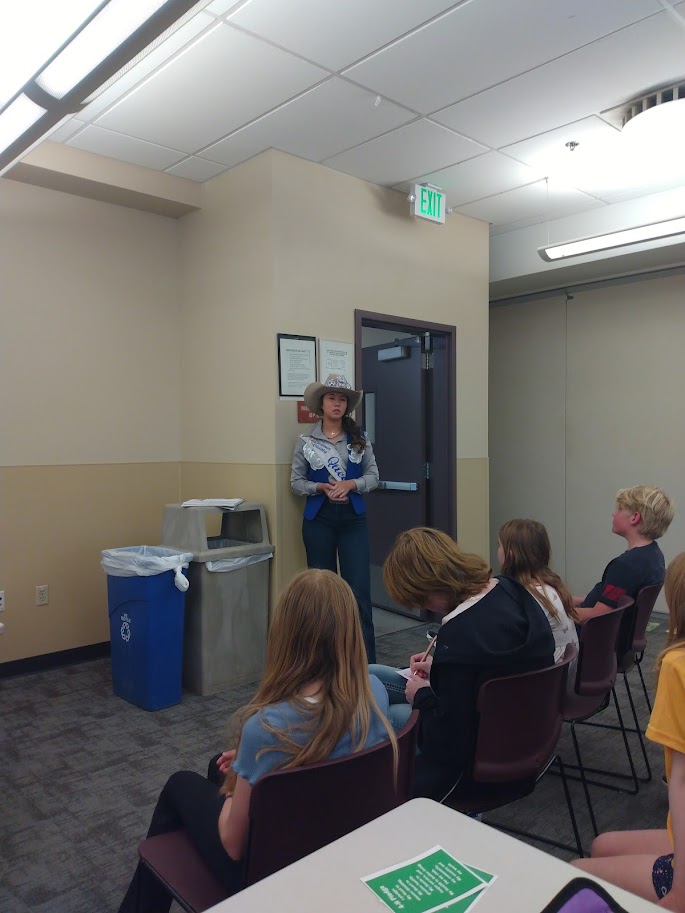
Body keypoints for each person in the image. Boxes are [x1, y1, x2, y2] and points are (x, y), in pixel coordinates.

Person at [118, 569, 396, 913]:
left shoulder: (267, 729)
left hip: (271, 873)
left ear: (286, 636)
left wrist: (239, 781)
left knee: (179, 785)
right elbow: (324, 747)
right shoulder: (376, 697)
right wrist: (250, 761)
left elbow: (234, 846)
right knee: (215, 765)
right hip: (339, 849)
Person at [368, 527, 555, 801]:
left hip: (476, 756)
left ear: (424, 588)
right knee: (373, 675)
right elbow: (488, 668)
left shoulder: (460, 635)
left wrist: (420, 695)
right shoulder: (509, 589)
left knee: (391, 714)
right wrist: (442, 669)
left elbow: (446, 740)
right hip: (527, 728)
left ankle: (377, 789)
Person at [572, 552, 685, 911]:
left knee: (577, 875)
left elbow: (683, 783)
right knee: (602, 845)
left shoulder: (678, 665)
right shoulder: (652, 558)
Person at [290, 374, 379, 662]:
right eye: (332, 398)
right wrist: (321, 487)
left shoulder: (359, 439)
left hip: (353, 520)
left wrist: (351, 484)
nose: (337, 404)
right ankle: (323, 661)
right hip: (319, 520)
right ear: (321, 404)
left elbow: (373, 477)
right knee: (321, 594)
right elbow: (296, 482)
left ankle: (365, 665)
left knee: (359, 593)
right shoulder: (305, 440)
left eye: (342, 399)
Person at [575, 485, 673, 623]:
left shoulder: (626, 566)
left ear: (634, 518)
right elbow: (608, 599)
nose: (614, 513)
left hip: (589, 636)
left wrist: (556, 614)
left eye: (619, 509)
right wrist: (564, 600)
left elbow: (599, 615)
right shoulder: (654, 555)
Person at [498, 518, 579, 669]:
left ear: (510, 555)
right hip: (562, 677)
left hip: (546, 682)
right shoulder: (551, 587)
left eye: (499, 545)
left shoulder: (526, 597)